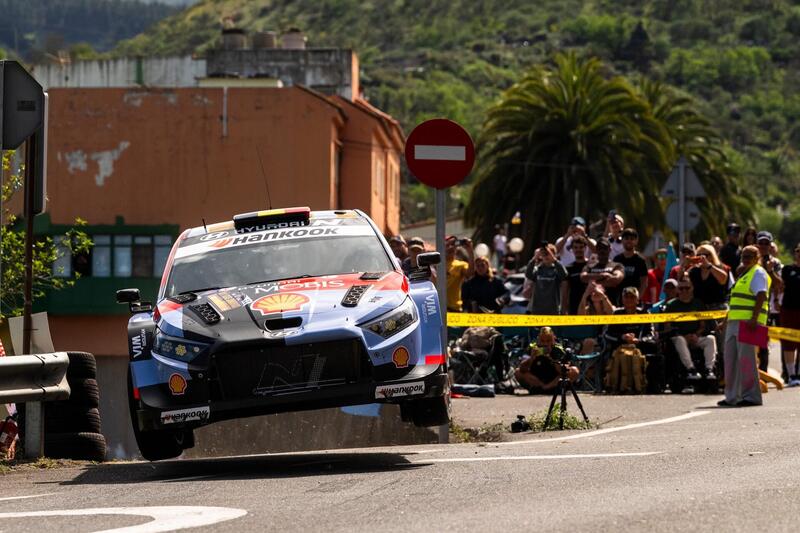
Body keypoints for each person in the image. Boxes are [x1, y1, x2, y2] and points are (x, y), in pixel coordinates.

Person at [719, 245, 770, 407]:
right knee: (730, 360)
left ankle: (751, 396)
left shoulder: (758, 272)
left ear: (757, 258)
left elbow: (761, 294)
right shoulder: (743, 274)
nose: (745, 259)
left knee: (747, 361)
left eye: (749, 256)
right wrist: (725, 322)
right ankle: (732, 397)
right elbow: (735, 302)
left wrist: (754, 319)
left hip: (749, 323)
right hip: (735, 322)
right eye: (743, 256)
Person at [665, 278, 717, 392]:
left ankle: (709, 369)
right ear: (677, 290)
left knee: (710, 339)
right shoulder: (671, 305)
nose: (684, 291)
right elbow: (667, 327)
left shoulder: (698, 303)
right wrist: (684, 336)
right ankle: (691, 369)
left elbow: (703, 325)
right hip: (680, 337)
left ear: (692, 289)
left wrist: (696, 335)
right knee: (679, 340)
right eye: (681, 288)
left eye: (687, 288)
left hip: (696, 336)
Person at [514, 327, 579, 394]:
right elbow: (522, 369)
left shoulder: (559, 349)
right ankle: (541, 388)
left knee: (574, 370)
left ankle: (546, 388)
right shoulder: (532, 348)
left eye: (548, 341)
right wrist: (532, 358)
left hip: (555, 380)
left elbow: (564, 371)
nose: (545, 344)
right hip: (537, 379)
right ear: (538, 339)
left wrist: (552, 358)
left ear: (554, 339)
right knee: (517, 372)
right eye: (542, 341)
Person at [604, 287, 656, 353]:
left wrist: (639, 340)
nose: (629, 300)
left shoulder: (644, 313)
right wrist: (622, 337)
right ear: (622, 300)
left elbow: (651, 334)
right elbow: (607, 334)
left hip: (640, 349)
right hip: (620, 349)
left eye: (632, 297)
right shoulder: (617, 313)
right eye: (626, 297)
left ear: (637, 300)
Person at [524, 243, 568, 314]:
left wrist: (554, 260)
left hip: (553, 310)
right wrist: (535, 257)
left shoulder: (556, 269)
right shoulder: (538, 269)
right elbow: (528, 274)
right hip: (537, 310)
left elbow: (564, 275)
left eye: (549, 254)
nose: (546, 256)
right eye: (544, 254)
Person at [580, 237, 624, 304]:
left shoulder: (617, 266)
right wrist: (602, 275)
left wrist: (592, 283)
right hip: (592, 307)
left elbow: (616, 279)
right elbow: (583, 277)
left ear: (610, 249)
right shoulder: (589, 266)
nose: (602, 250)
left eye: (605, 248)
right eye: (599, 248)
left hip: (612, 306)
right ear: (596, 250)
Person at [780, 244, 800, 386]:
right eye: (798, 251)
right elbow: (780, 286)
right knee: (789, 343)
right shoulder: (787, 269)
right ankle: (792, 375)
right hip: (788, 310)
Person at [613, 227, 648, 304]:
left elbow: (644, 283)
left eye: (632, 239)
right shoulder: (617, 259)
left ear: (636, 241)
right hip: (620, 301)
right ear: (622, 240)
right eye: (626, 238)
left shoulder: (640, 260)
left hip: (635, 301)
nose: (629, 241)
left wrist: (637, 299)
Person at [687, 244, 729, 309]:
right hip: (699, 308)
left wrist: (708, 265)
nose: (701, 258)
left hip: (717, 308)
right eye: (698, 255)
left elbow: (723, 279)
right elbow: (682, 281)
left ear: (711, 256)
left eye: (704, 255)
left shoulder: (719, 268)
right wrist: (683, 265)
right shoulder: (694, 271)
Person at [445, 235, 474, 312]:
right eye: (447, 245)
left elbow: (470, 274)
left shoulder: (461, 265)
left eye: (453, 245)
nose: (450, 247)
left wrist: (470, 251)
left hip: (454, 308)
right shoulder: (436, 264)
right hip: (438, 308)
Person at [563, 235, 590, 315]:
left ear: (585, 248)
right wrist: (563, 310)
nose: (578, 250)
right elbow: (565, 291)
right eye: (575, 247)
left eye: (581, 247)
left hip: (590, 306)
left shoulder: (592, 266)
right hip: (574, 306)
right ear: (572, 249)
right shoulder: (568, 268)